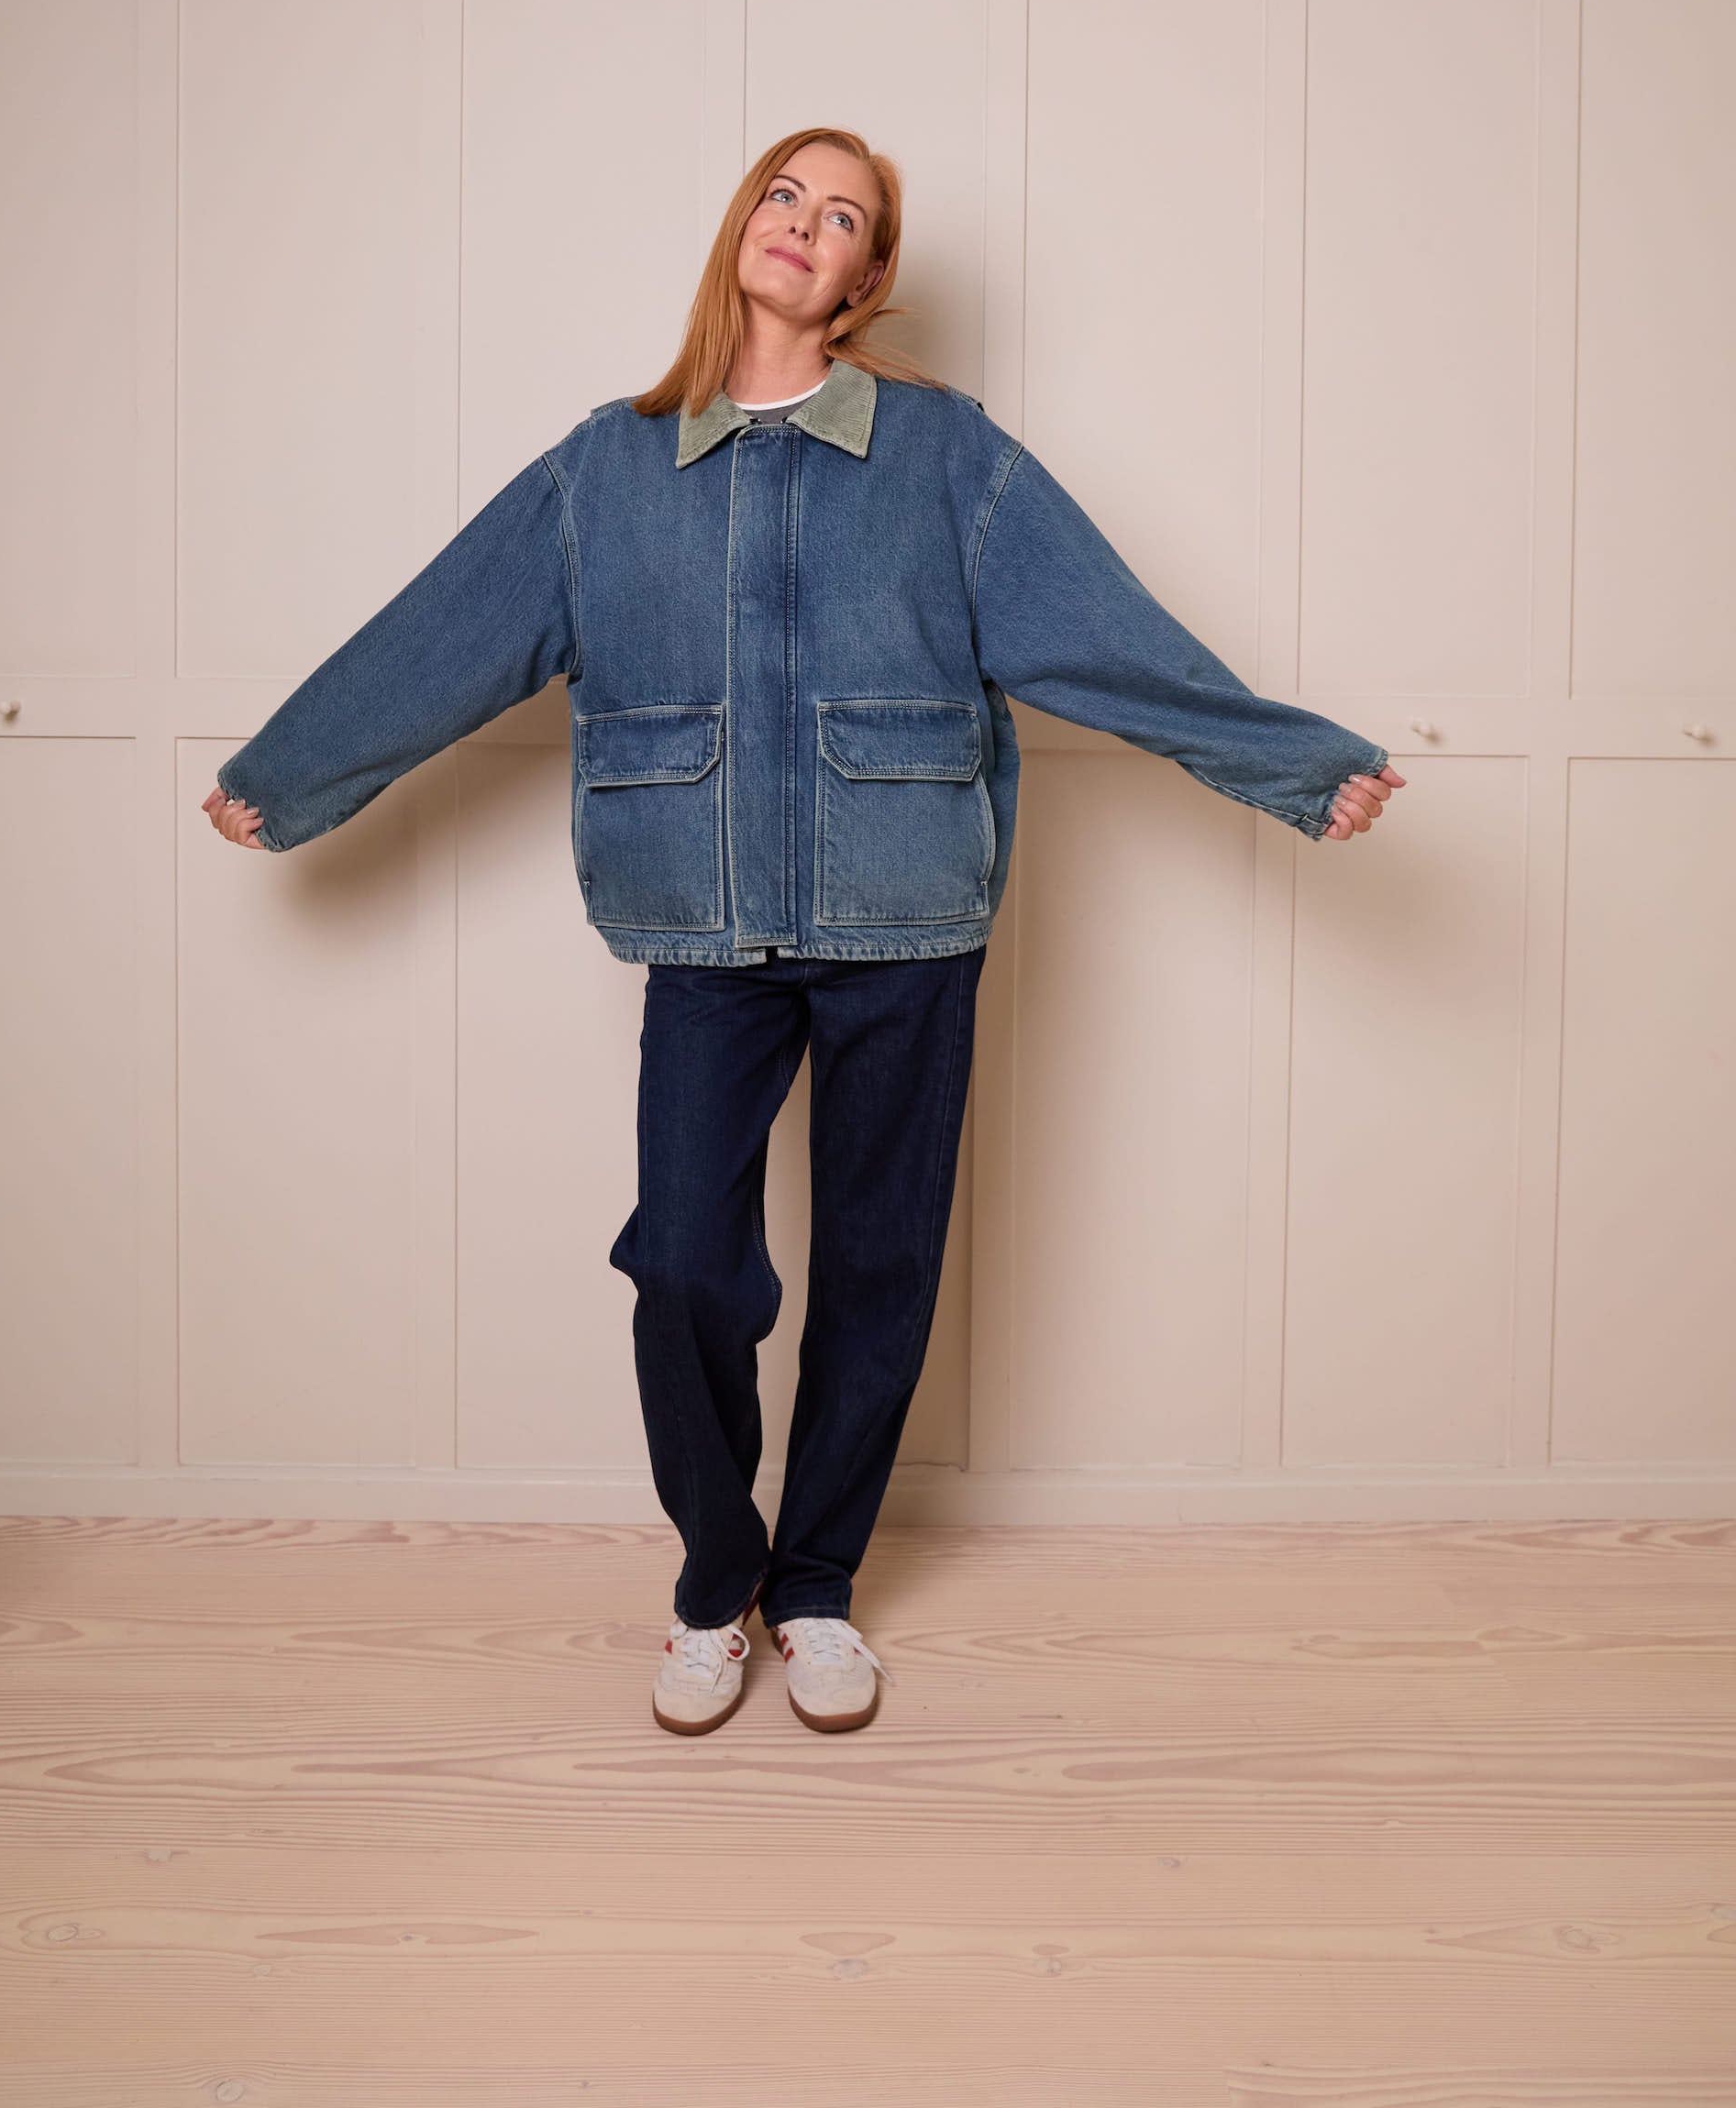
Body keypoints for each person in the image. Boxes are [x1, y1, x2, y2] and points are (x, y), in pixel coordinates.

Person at [204, 126, 1404, 1738]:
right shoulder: (608, 468)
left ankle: (819, 1588)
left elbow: (1109, 641)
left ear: (864, 281)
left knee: (879, 1265)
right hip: (701, 924)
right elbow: (447, 632)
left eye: (845, 218)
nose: (807, 226)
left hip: (909, 910)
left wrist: (1291, 768)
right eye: (788, 193)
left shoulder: (944, 457)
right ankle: (718, 1583)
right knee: (689, 1263)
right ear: (743, 227)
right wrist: (288, 777)